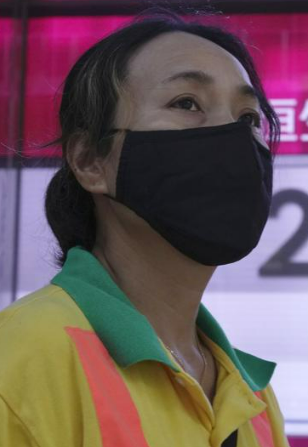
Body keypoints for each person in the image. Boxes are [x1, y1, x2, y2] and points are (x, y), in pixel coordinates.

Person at [0, 7, 290, 447]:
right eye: (186, 103)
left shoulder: (255, 400)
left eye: (248, 119)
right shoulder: (22, 357)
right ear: (90, 161)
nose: (232, 136)